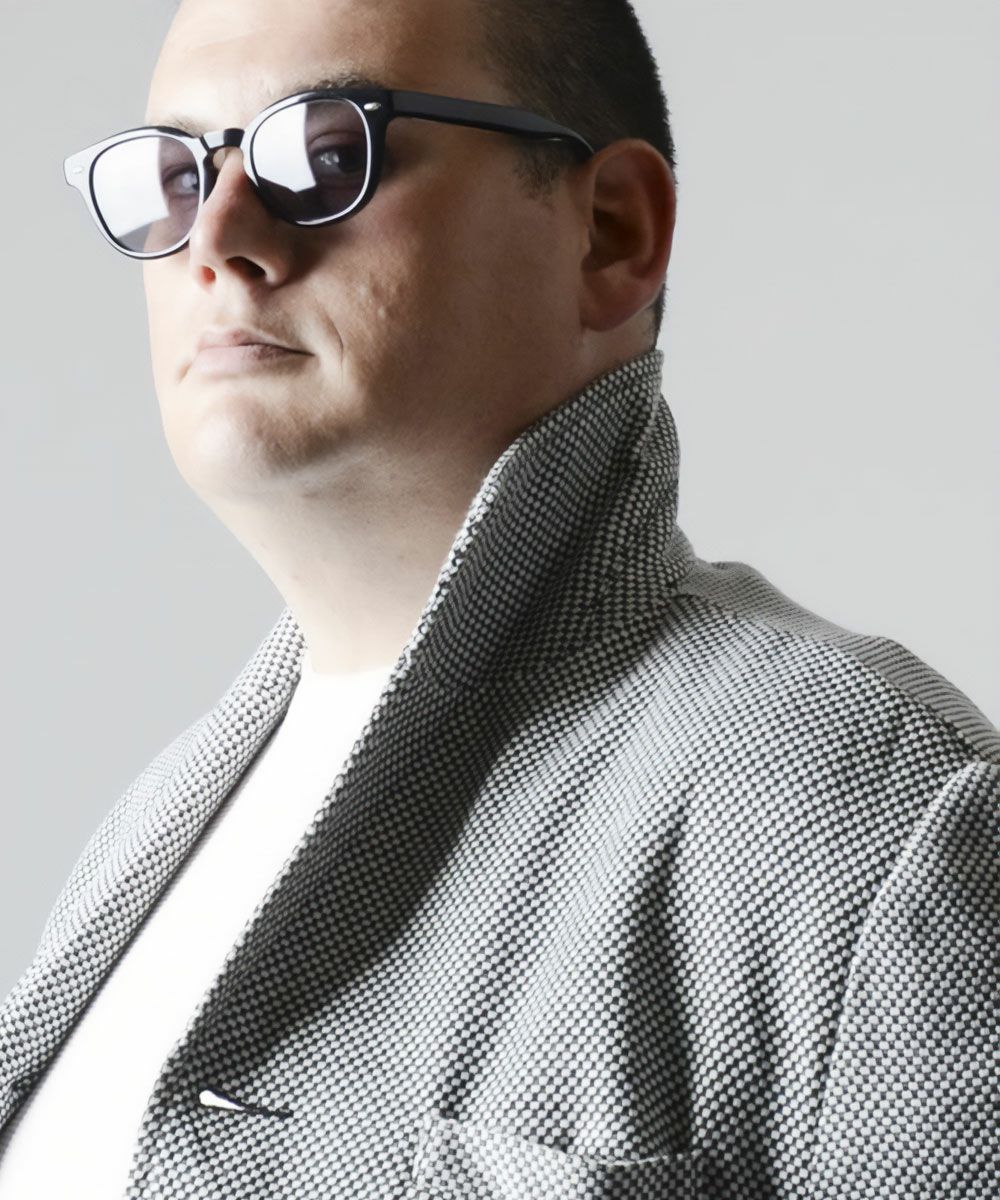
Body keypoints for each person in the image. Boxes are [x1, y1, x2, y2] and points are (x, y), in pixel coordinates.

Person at [0, 0, 996, 1196]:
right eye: (175, 174)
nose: (216, 237)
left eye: (324, 154)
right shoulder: (148, 833)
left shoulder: (861, 810)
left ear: (611, 233)